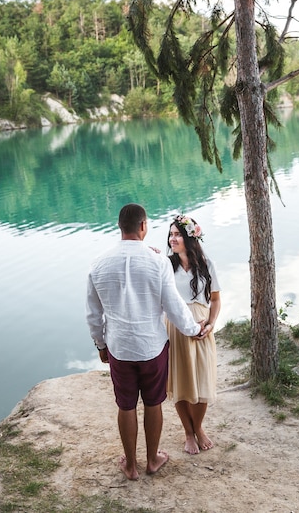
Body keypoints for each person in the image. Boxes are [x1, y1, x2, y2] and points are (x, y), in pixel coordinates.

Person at [86, 203, 205, 481]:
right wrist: (192, 329)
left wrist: (101, 345)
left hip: (119, 347)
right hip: (152, 347)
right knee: (153, 403)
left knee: (125, 405)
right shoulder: (158, 261)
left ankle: (130, 466)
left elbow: (93, 314)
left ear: (119, 226)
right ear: (143, 226)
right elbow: (173, 305)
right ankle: (152, 460)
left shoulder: (98, 263)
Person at [166, 214, 221, 455]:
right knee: (181, 382)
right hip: (176, 327)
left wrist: (210, 324)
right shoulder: (166, 265)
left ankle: (198, 427)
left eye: (177, 234)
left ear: (190, 237)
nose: (172, 239)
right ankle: (188, 432)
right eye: (171, 234)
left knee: (202, 381)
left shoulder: (207, 264)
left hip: (202, 327)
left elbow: (216, 299)